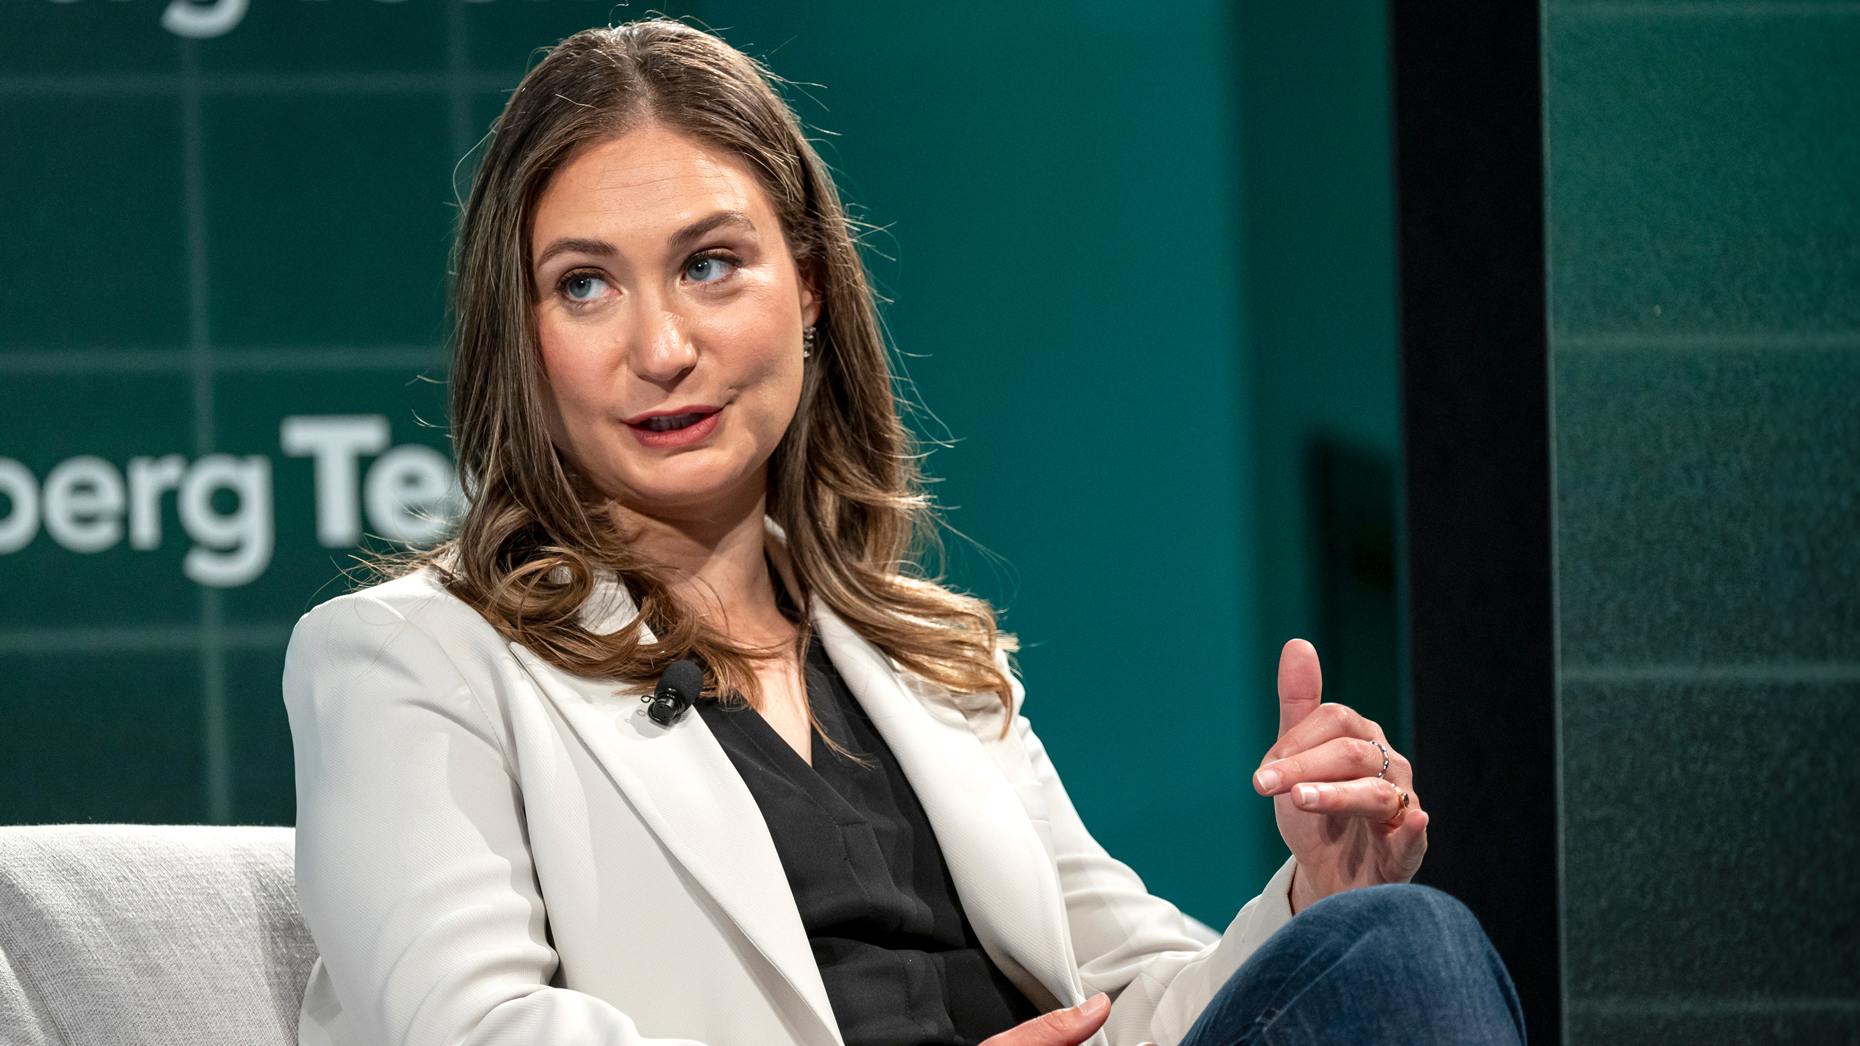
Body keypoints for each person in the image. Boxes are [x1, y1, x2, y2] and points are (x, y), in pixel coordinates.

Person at [284, 20, 1524, 1046]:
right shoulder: (411, 657)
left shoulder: (931, 662)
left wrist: (1318, 890)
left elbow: (1142, 1002)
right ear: (524, 332)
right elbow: (475, 1031)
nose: (660, 348)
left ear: (811, 287)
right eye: (585, 284)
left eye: (711, 264)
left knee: (1397, 938)